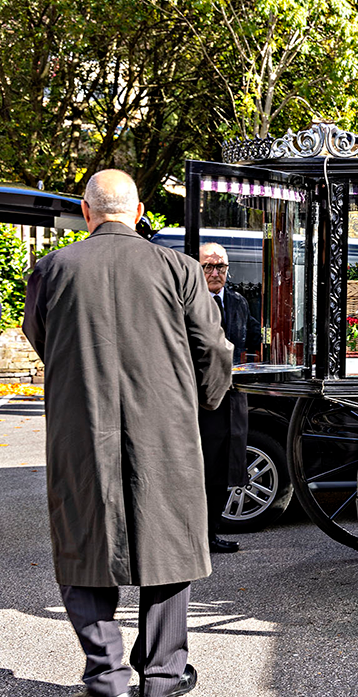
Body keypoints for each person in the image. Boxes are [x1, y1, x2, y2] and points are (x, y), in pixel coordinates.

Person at [22, 169, 233, 697]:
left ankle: (107, 673)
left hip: (80, 427)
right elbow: (214, 348)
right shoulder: (178, 268)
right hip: (165, 428)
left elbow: (41, 337)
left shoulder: (51, 269)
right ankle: (162, 675)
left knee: (83, 540)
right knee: (168, 547)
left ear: (86, 211)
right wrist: (201, 404)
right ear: (139, 214)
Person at [197, 243, 259, 553]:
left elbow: (252, 338)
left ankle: (211, 534)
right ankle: (196, 537)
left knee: (226, 468)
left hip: (234, 395)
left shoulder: (238, 302)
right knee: (203, 468)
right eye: (208, 266)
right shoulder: (190, 303)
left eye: (220, 266)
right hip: (202, 399)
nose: (214, 272)